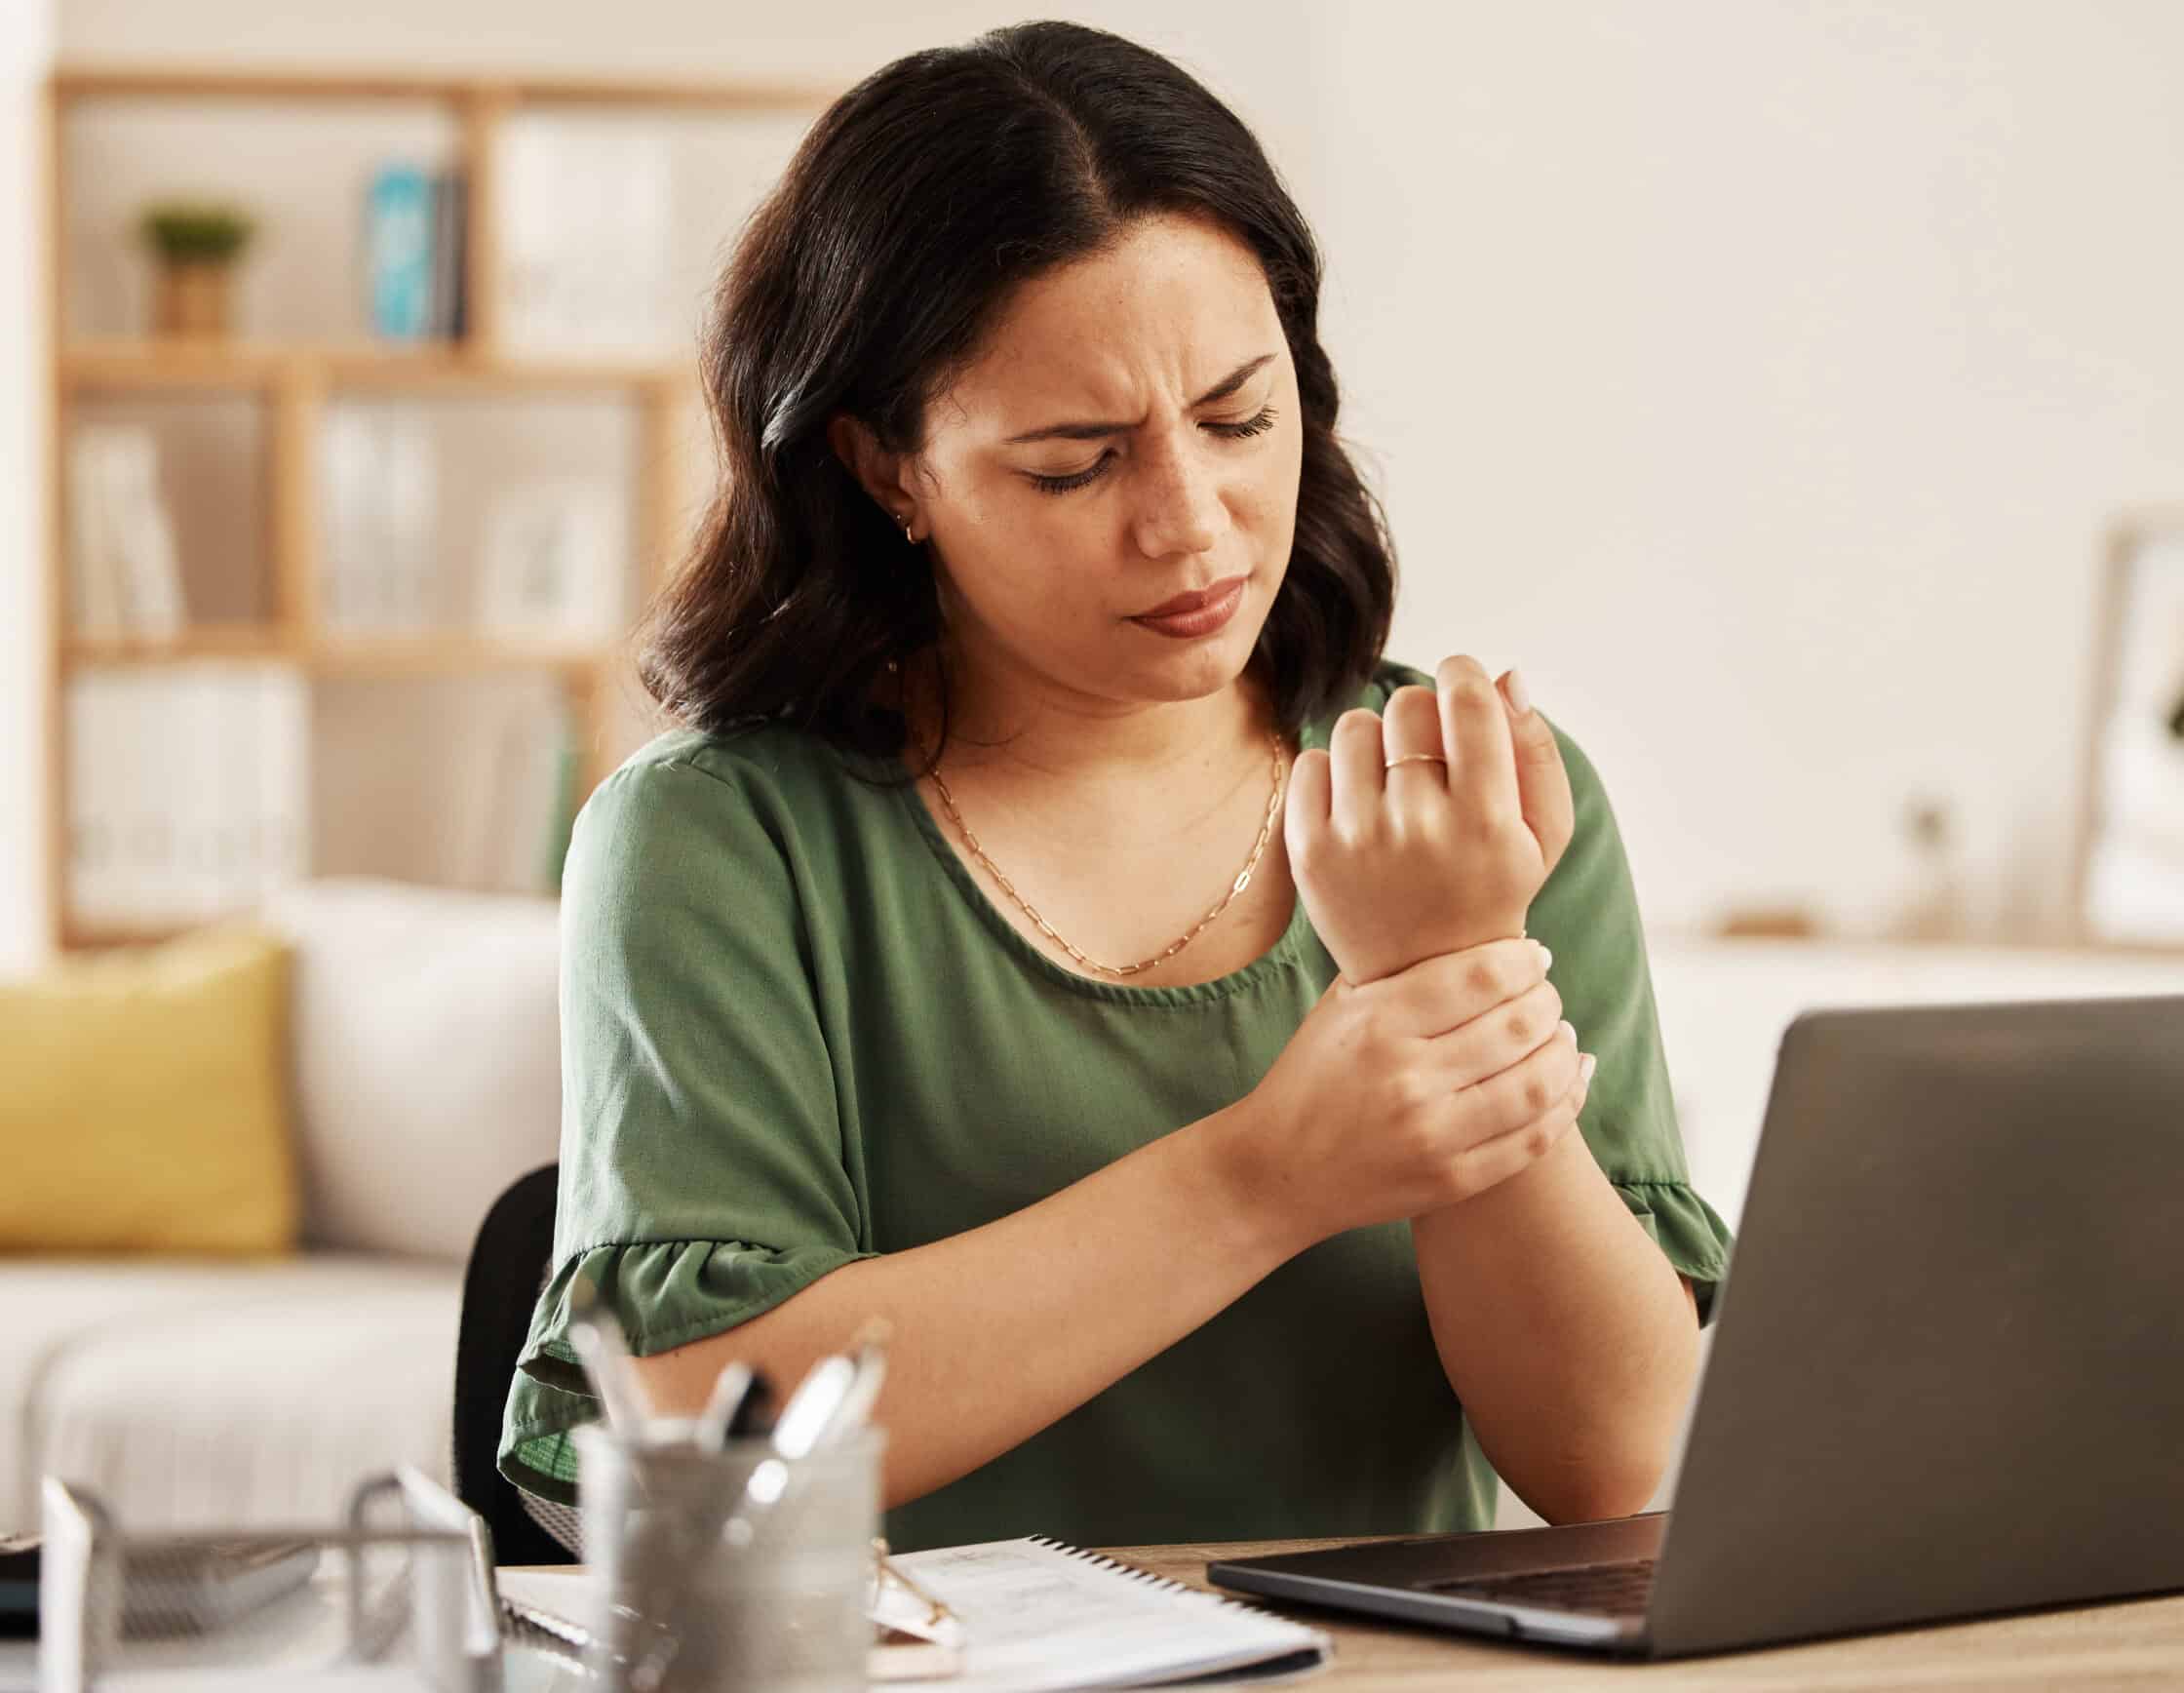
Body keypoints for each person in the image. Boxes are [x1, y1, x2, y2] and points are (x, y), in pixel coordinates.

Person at [499, 19, 1732, 1555]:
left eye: (1239, 418)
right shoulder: (717, 840)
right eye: (1076, 463)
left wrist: (1451, 967)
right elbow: (688, 1442)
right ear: (889, 470)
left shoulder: (1472, 801)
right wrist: (1268, 1174)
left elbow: (1625, 1470)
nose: (1192, 525)